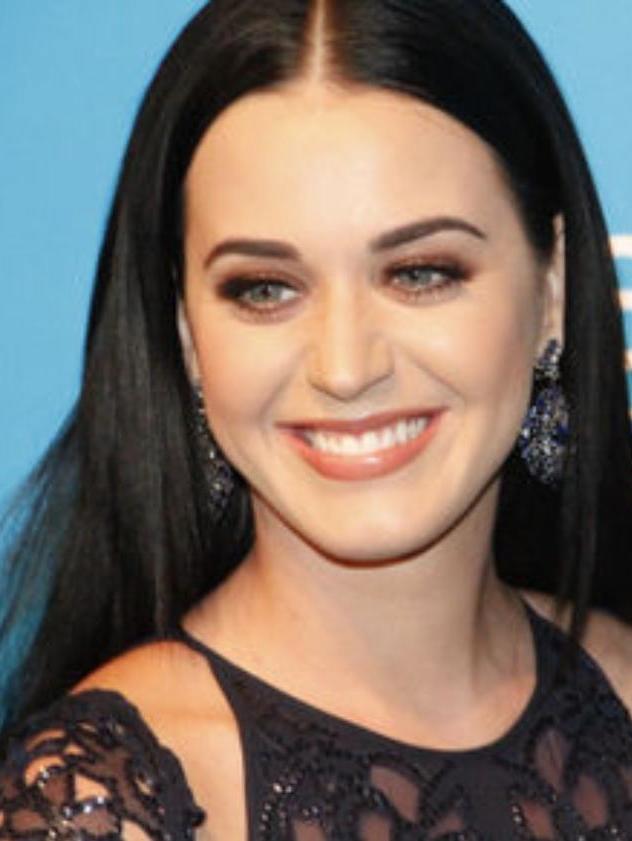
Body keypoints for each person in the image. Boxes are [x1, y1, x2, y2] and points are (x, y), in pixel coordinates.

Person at [2, 0, 632, 838]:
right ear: (188, 335)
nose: (344, 367)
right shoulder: (96, 799)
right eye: (265, 288)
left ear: (551, 291)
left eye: (420, 272)